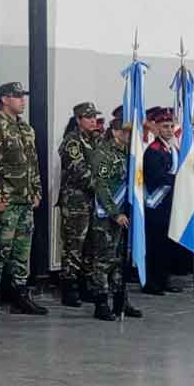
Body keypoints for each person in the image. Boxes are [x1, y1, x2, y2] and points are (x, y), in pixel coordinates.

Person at [0, 82, 46, 315]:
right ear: (4, 99)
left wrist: (37, 191)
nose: (22, 100)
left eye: (23, 96)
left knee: (22, 252)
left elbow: (33, 163)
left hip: (25, 200)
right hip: (7, 201)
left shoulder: (25, 128)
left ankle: (20, 296)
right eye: (17, 96)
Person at [88, 118, 142, 320]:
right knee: (103, 261)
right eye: (126, 132)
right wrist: (114, 212)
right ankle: (101, 304)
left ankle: (121, 300)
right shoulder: (103, 153)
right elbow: (100, 186)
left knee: (120, 260)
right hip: (107, 216)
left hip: (124, 214)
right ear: (116, 132)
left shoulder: (129, 153)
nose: (130, 136)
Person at [57, 102, 100, 306]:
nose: (93, 121)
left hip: (93, 201)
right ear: (78, 120)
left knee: (91, 244)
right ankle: (69, 287)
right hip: (76, 201)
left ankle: (86, 285)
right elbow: (79, 171)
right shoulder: (72, 142)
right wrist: (103, 188)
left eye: (94, 117)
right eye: (89, 117)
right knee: (74, 245)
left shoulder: (95, 140)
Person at [143, 107, 185, 293]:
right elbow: (156, 176)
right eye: (165, 126)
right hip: (157, 203)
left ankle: (164, 279)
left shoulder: (173, 149)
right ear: (157, 128)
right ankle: (152, 282)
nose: (169, 130)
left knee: (167, 244)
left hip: (170, 203)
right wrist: (179, 180)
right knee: (155, 244)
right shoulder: (153, 150)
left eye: (171, 126)